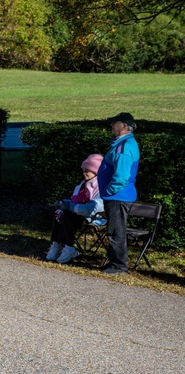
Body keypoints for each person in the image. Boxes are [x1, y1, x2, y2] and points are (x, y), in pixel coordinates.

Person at [97, 112, 140, 275]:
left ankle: (119, 266)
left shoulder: (123, 148)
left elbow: (121, 176)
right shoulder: (124, 144)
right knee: (116, 230)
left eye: (114, 123)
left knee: (116, 231)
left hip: (117, 197)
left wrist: (109, 191)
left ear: (123, 126)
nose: (111, 126)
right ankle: (115, 263)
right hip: (118, 196)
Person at [46, 154, 104, 264]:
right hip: (79, 215)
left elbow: (94, 208)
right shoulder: (82, 185)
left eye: (87, 171)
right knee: (58, 213)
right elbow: (74, 202)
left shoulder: (101, 187)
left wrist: (70, 207)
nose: (84, 173)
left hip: (94, 218)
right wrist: (63, 202)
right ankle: (56, 244)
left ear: (96, 172)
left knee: (67, 215)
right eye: (83, 170)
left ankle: (68, 247)